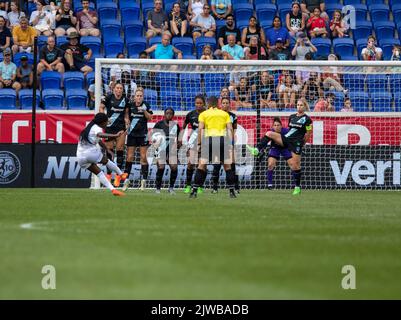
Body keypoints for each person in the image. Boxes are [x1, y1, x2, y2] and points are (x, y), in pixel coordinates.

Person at [248, 99, 312, 195]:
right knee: (269, 133)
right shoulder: (292, 117)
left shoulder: (307, 119)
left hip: (296, 143)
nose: (299, 107)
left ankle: (297, 187)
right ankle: (257, 150)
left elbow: (308, 133)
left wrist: (302, 143)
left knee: (295, 165)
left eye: (301, 105)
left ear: (305, 106)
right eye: (298, 105)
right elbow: (290, 130)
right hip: (286, 139)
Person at [189, 96, 236, 198]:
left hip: (208, 140)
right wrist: (230, 143)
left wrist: (199, 144)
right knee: (227, 166)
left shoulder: (203, 114)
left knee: (201, 165)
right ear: (218, 103)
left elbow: (201, 129)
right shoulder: (224, 114)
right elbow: (230, 129)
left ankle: (194, 191)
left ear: (208, 104)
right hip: (222, 140)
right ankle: (232, 191)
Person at [76, 112, 125, 197]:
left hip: (80, 157)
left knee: (99, 173)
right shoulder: (96, 128)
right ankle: (121, 174)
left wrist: (107, 150)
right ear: (102, 122)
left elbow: (98, 140)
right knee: (106, 161)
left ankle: (113, 189)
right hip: (90, 153)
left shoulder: (88, 128)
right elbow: (100, 135)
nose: (107, 123)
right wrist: (115, 135)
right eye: (106, 122)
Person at [122, 88, 153, 191]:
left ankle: (143, 182)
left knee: (143, 157)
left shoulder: (146, 105)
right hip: (132, 134)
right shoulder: (130, 105)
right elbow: (126, 115)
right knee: (129, 157)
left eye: (140, 96)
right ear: (134, 97)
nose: (139, 97)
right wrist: (127, 120)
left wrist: (144, 110)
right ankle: (126, 181)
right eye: (137, 95)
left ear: (142, 97)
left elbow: (150, 117)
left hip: (143, 134)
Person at [100, 82, 131, 184]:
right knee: (109, 151)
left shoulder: (126, 100)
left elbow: (126, 115)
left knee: (120, 150)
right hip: (109, 128)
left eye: (120, 88)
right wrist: (104, 118)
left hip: (121, 129)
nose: (119, 90)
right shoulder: (108, 97)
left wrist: (127, 122)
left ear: (123, 90)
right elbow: (101, 107)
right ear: (114, 89)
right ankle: (108, 175)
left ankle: (118, 176)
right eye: (117, 88)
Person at [211, 97, 239, 194]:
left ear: (229, 104)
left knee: (231, 164)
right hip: (217, 140)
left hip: (228, 141)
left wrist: (232, 138)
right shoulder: (217, 114)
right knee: (217, 164)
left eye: (227, 103)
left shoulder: (233, 116)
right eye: (223, 103)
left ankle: (236, 187)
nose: (225, 104)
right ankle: (215, 188)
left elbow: (234, 128)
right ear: (220, 104)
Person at [152, 107, 181, 194]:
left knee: (174, 167)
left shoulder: (176, 126)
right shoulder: (159, 124)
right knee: (161, 167)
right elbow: (154, 140)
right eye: (167, 113)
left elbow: (178, 140)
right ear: (164, 114)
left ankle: (171, 188)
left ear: (173, 115)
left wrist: (177, 150)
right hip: (160, 149)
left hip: (171, 150)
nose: (168, 115)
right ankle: (158, 188)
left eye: (170, 113)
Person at [182, 94, 206, 193]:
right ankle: (188, 185)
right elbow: (184, 126)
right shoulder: (190, 114)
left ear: (204, 104)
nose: (198, 105)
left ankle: (200, 186)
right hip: (193, 141)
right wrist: (181, 139)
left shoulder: (207, 114)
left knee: (202, 165)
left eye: (200, 103)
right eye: (197, 103)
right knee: (190, 163)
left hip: (204, 141)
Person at [264, 117, 293, 190]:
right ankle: (270, 185)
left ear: (281, 126)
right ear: (273, 126)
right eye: (275, 125)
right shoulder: (271, 132)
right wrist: (263, 149)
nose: (276, 127)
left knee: (293, 165)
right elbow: (265, 141)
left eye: (278, 125)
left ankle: (295, 184)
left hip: (285, 148)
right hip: (275, 148)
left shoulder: (286, 131)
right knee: (270, 165)